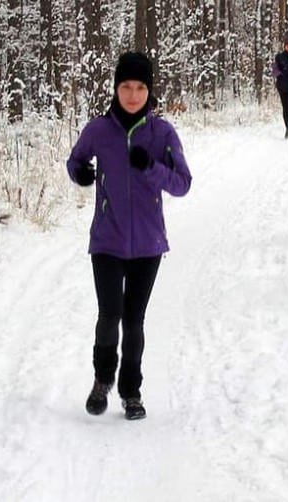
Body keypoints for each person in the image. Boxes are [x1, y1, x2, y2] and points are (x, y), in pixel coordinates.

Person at [66, 52, 192, 420]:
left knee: (133, 321)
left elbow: (183, 183)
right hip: (107, 239)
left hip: (149, 243)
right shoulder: (99, 130)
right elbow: (75, 161)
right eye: (125, 87)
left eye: (140, 87)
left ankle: (131, 391)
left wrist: (151, 168)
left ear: (149, 91)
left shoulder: (162, 132)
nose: (133, 94)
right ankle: (102, 381)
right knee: (109, 315)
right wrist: (83, 175)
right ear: (115, 88)